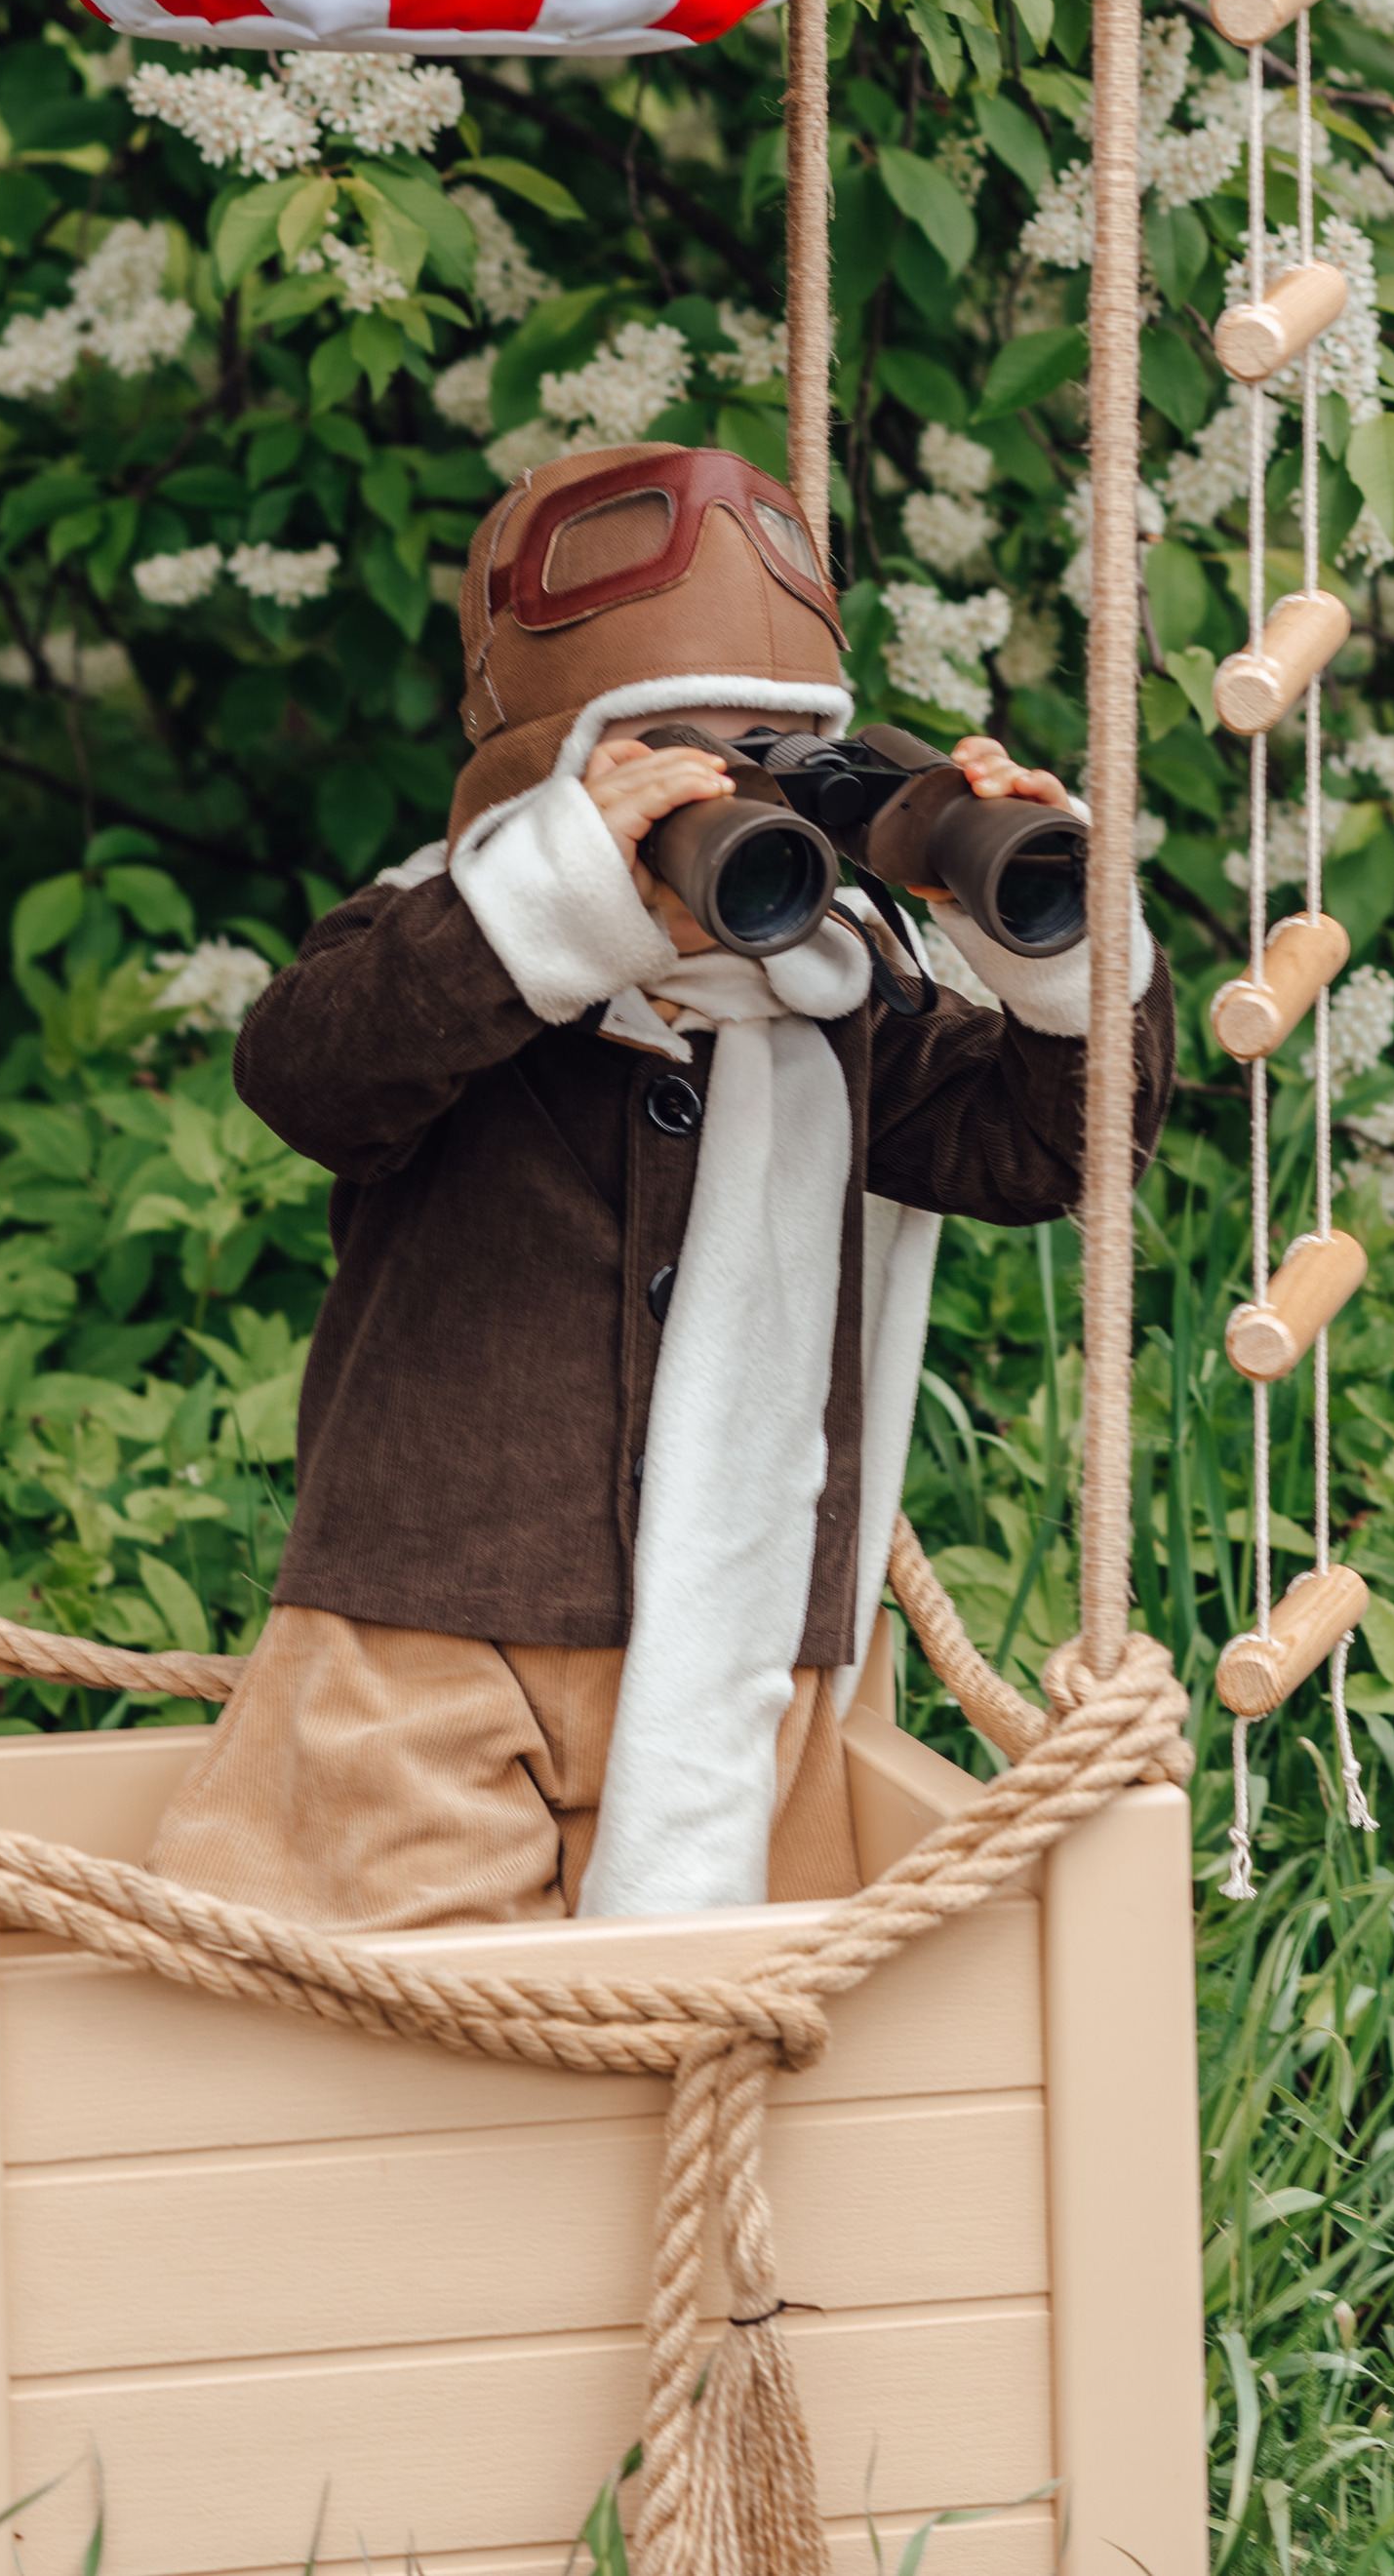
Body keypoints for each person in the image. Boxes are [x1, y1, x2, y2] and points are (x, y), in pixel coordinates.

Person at [145, 441, 1175, 1930]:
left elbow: (1051, 1145)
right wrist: (560, 903)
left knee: (738, 2037)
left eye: (779, 748)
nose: (738, 783)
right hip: (428, 1641)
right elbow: (312, 1078)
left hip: (747, 1662)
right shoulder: (450, 946)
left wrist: (1045, 933)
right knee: (384, 2038)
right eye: (679, 749)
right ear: (558, 769)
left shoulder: (840, 999)